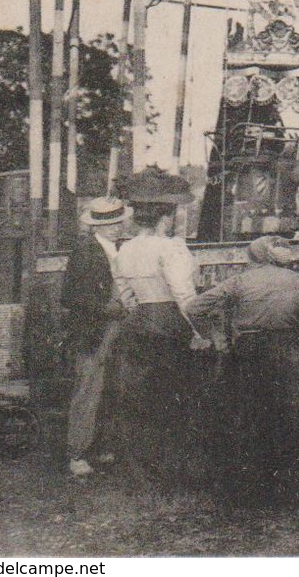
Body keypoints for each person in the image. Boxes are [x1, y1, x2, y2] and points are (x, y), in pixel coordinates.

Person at [184, 235, 299, 506]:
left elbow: (194, 307)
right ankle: (289, 489)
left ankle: (248, 488)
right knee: (289, 419)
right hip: (289, 353)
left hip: (248, 352)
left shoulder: (239, 281)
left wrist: (214, 337)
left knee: (248, 417)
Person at [110, 166, 206, 486]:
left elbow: (125, 294)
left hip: (139, 324)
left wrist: (141, 314)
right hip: (169, 324)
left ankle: (144, 468)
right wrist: (199, 331)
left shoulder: (126, 248)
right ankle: (172, 469)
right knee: (175, 396)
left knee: (142, 399)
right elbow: (184, 294)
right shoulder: (171, 247)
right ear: (167, 216)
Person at [61, 196, 129, 478]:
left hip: (116, 326)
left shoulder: (118, 248)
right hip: (93, 330)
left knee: (111, 388)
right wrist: (106, 308)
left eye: (118, 222)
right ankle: (76, 453)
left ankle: (101, 446)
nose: (115, 228)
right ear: (95, 227)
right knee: (88, 390)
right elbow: (70, 296)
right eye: (108, 224)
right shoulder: (85, 250)